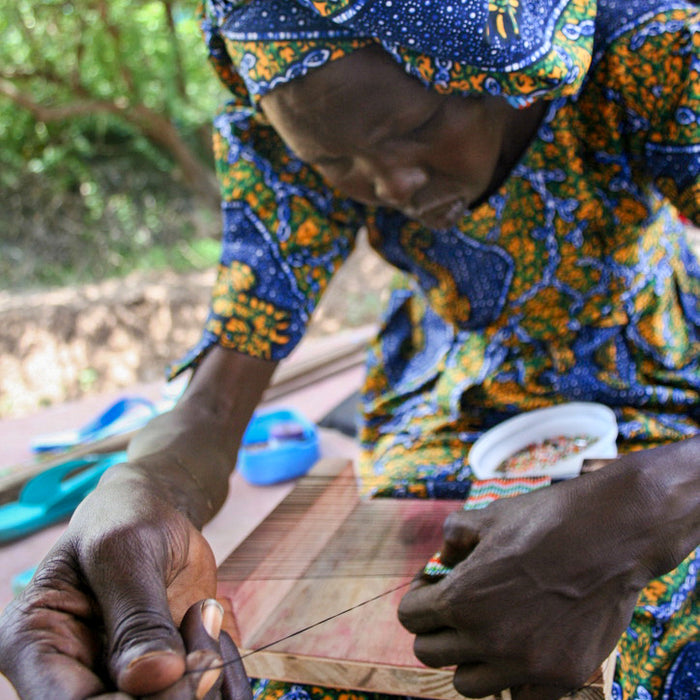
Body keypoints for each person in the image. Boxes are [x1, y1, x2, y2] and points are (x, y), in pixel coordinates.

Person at [0, 0, 698, 698]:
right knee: (355, 659)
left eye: (420, 125)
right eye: (335, 162)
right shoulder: (289, 130)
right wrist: (137, 490)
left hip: (661, 366)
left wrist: (652, 497)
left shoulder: (648, 53)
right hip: (455, 389)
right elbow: (213, 405)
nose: (391, 187)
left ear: (496, 58)